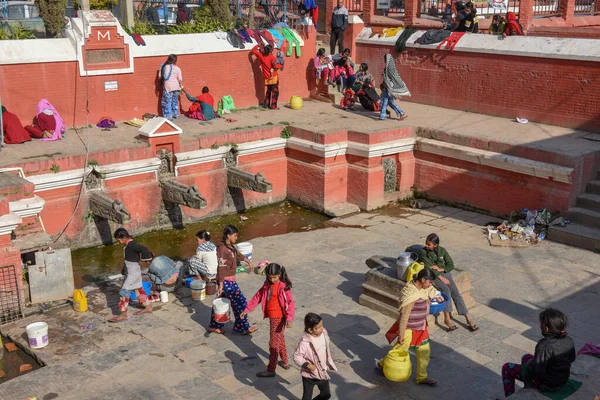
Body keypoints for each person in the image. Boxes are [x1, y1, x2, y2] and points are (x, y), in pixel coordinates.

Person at [377, 268, 442, 387]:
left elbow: (431, 291)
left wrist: (437, 296)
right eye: (430, 282)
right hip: (408, 329)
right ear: (423, 279)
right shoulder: (411, 294)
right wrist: (401, 335)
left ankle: (422, 377)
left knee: (424, 352)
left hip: (421, 327)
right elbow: (404, 316)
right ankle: (383, 365)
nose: (431, 285)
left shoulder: (424, 288)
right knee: (399, 350)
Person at [501, 308, 576, 397]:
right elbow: (572, 358)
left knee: (507, 368)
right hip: (562, 379)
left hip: (548, 384)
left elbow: (537, 370)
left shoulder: (544, 345)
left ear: (546, 328)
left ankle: (510, 397)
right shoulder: (569, 340)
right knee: (525, 357)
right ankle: (526, 387)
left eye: (541, 324)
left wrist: (528, 366)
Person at [242, 263, 296, 378]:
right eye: (270, 277)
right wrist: (246, 309)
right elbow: (258, 296)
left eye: (275, 277)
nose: (272, 280)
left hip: (279, 318)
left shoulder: (283, 287)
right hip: (272, 318)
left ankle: (271, 370)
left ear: (280, 275)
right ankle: (285, 362)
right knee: (279, 339)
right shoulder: (267, 285)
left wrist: (289, 318)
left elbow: (290, 303)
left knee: (273, 343)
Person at [418, 233, 478, 332]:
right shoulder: (423, 252)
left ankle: (467, 317)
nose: (426, 246)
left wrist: (441, 269)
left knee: (456, 293)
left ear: (435, 245)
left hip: (444, 273)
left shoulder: (442, 251)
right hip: (434, 276)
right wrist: (442, 278)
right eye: (426, 243)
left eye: (429, 244)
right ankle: (447, 318)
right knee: (446, 291)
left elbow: (451, 265)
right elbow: (429, 268)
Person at [208, 225, 257, 335]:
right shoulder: (222, 249)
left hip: (229, 281)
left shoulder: (230, 246)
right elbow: (221, 267)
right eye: (235, 235)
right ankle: (241, 327)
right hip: (225, 281)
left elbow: (238, 254)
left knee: (220, 303)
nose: (236, 237)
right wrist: (220, 285)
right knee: (241, 302)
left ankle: (213, 326)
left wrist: (247, 261)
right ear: (228, 235)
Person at [109, 228, 152, 322]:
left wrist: (147, 258)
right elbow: (130, 259)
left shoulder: (131, 245)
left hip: (132, 272)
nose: (119, 242)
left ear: (124, 237)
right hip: (134, 270)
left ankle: (123, 314)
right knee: (138, 289)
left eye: (119, 240)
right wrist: (124, 270)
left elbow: (143, 249)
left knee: (124, 292)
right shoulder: (130, 244)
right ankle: (147, 307)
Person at [293, 313, 338, 400]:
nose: (322, 328)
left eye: (322, 325)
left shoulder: (324, 333)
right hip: (309, 375)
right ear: (310, 330)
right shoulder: (305, 343)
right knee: (306, 398)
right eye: (318, 327)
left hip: (322, 372)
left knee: (326, 395)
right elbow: (297, 357)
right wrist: (309, 366)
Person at [251, 44, 283, 110]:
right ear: (270, 51)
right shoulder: (272, 57)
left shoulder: (260, 56)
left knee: (268, 90)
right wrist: (281, 65)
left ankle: (266, 104)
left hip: (266, 76)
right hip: (273, 76)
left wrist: (258, 45)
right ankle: (273, 106)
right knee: (275, 92)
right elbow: (276, 66)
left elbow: (253, 50)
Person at [159, 54, 183, 120]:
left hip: (168, 87)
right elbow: (180, 79)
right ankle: (175, 114)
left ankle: (168, 116)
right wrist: (181, 86)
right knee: (174, 101)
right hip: (176, 87)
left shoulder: (164, 67)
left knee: (167, 102)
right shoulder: (177, 68)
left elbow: (160, 77)